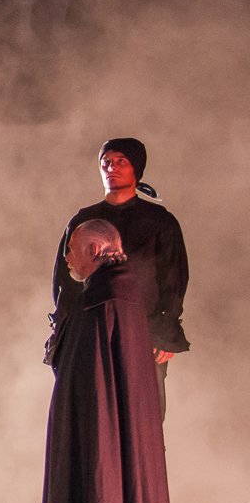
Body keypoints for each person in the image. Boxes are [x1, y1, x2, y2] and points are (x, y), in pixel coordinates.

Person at [43, 219, 176, 503]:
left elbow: (96, 370)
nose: (67, 257)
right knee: (119, 486)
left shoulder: (105, 300)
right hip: (108, 418)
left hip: (103, 422)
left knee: (107, 484)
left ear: (93, 250)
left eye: (71, 248)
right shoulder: (115, 294)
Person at [50, 138, 188, 413]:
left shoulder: (160, 221)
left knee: (141, 413)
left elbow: (173, 280)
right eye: (106, 162)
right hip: (89, 331)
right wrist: (62, 334)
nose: (111, 167)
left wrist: (165, 332)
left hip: (143, 333)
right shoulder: (83, 219)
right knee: (92, 412)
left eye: (120, 161)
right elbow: (65, 282)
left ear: (136, 168)